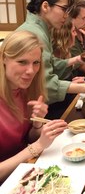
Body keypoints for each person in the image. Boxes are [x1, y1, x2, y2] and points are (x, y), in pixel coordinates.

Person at [17, 0, 85, 119]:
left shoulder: (40, 29)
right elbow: (45, 83)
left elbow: (50, 64)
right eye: (64, 9)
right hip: (23, 107)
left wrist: (75, 60)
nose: (66, 16)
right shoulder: (35, 34)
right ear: (45, 6)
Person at [0, 30, 67, 182]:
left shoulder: (24, 89)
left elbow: (25, 137)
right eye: (22, 62)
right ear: (4, 58)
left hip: (25, 171)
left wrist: (37, 125)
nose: (31, 71)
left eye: (36, 63)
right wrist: (36, 147)